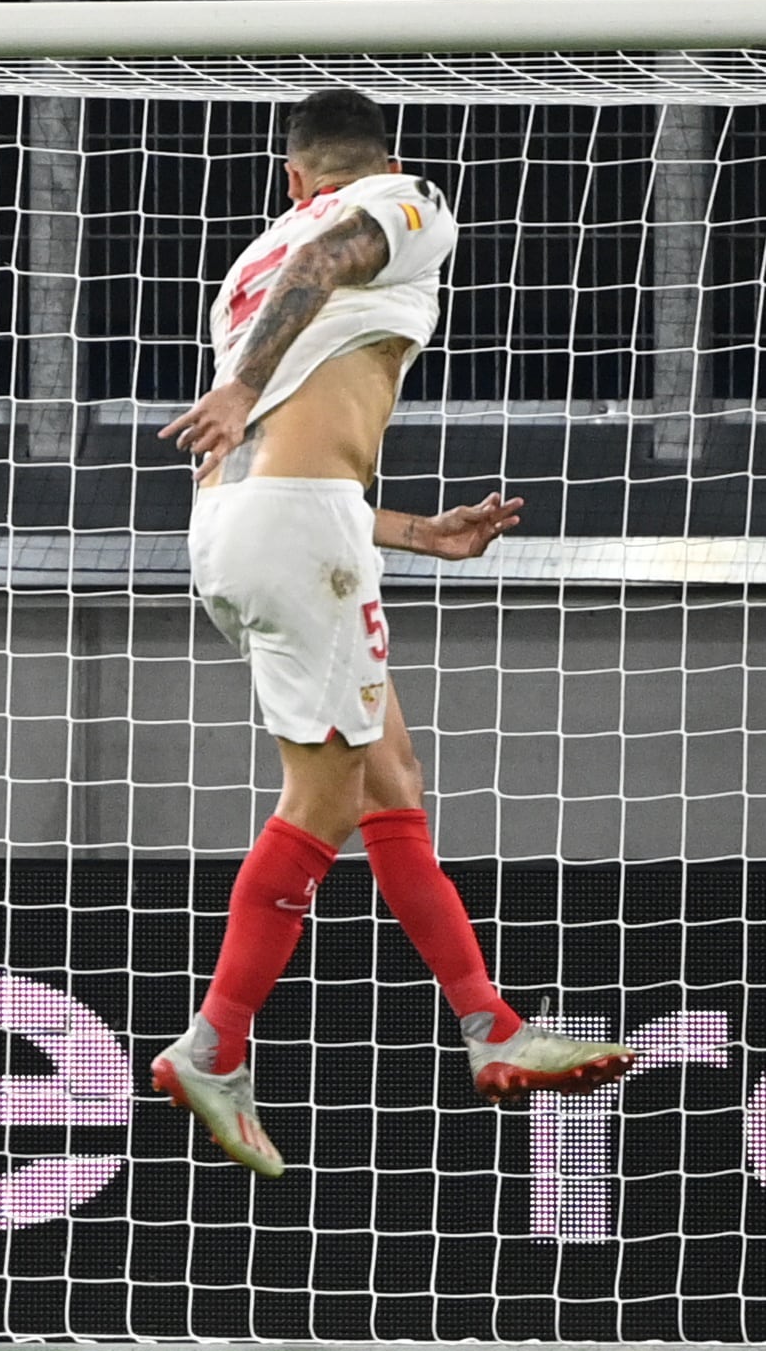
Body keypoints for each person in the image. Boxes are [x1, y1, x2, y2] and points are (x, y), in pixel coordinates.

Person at [152, 87, 631, 1176]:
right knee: (320, 800)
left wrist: (418, 531)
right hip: (293, 526)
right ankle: (212, 1043)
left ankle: (488, 1022)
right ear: (365, 168)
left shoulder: (247, 264)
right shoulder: (404, 203)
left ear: (287, 178)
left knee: (388, 781)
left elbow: (293, 440)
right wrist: (237, 386)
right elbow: (334, 260)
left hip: (245, 527)